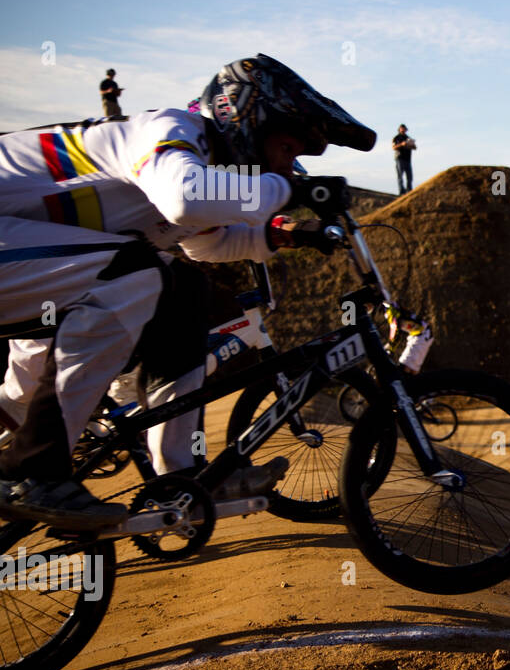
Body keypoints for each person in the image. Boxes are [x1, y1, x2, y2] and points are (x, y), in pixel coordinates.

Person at [0, 53, 376, 529]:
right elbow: (183, 199)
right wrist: (289, 192)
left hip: (37, 260)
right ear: (248, 119)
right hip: (20, 247)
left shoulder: (203, 161)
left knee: (179, 289)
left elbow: (202, 243)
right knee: (135, 270)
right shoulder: (170, 130)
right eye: (287, 149)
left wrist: (279, 235)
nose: (291, 166)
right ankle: (33, 470)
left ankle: (183, 477)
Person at [393, 124, 416, 194]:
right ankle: (401, 192)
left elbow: (415, 147)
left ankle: (409, 191)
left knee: (409, 177)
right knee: (400, 176)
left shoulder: (408, 138)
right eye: (402, 128)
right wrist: (401, 144)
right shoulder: (396, 138)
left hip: (407, 159)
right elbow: (394, 147)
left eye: (404, 128)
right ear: (399, 129)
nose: (403, 130)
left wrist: (410, 145)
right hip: (399, 158)